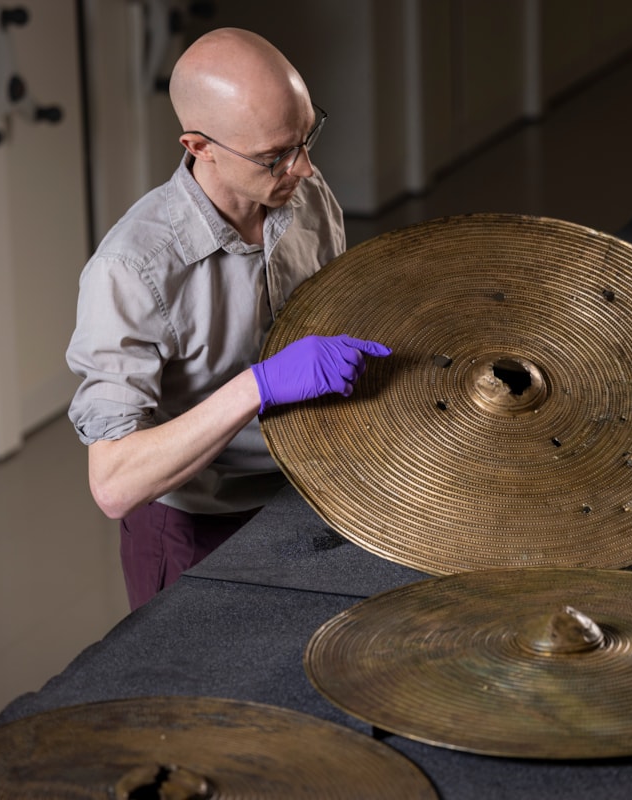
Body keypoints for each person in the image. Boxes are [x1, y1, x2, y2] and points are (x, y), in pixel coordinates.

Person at [66, 28, 389, 610]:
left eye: (307, 136)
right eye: (275, 157)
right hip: (199, 532)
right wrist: (256, 387)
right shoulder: (130, 270)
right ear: (198, 145)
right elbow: (114, 484)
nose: (306, 168)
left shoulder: (302, 195)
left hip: (314, 496)